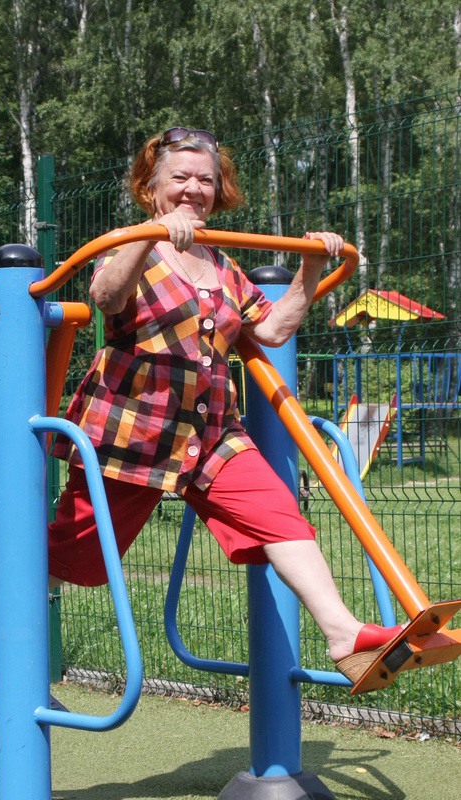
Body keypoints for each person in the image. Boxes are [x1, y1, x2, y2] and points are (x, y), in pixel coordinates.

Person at [48, 127, 403, 683]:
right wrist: (149, 235)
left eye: (206, 180)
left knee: (279, 513)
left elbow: (273, 330)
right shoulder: (128, 246)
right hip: (132, 434)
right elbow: (107, 297)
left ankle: (344, 634)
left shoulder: (224, 267)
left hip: (213, 435)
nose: (194, 189)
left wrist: (311, 268)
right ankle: (2, 643)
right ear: (150, 188)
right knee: (78, 556)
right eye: (180, 178)